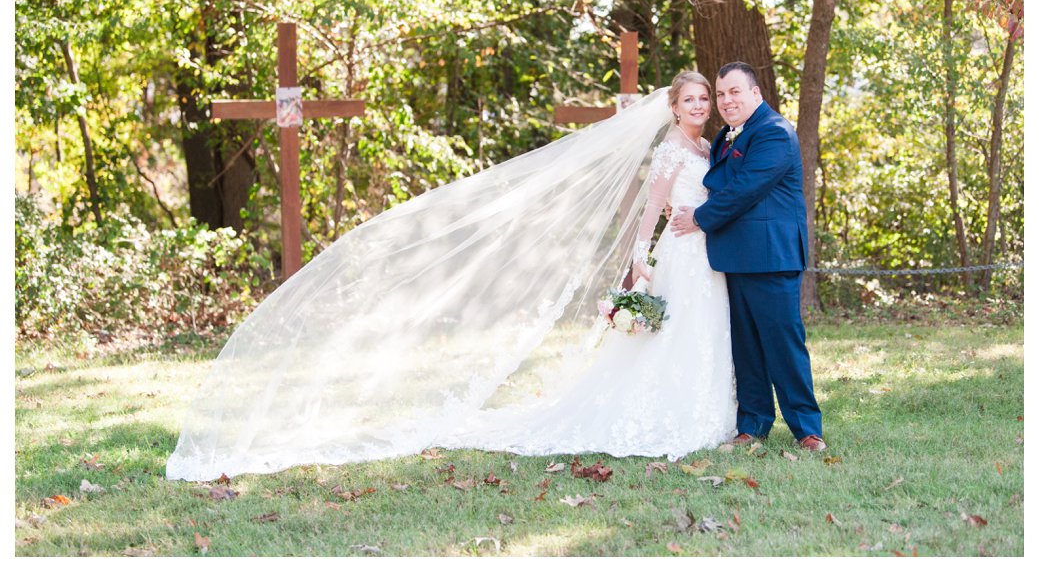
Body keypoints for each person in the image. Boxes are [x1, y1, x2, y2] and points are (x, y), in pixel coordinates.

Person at [166, 72, 734, 481]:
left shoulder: (708, 146)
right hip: (676, 259)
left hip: (706, 256)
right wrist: (640, 260)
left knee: (701, 334)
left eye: (704, 97)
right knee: (674, 334)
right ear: (672, 107)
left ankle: (708, 412)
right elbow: (649, 210)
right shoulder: (668, 153)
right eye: (690, 99)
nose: (700, 104)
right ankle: (667, 415)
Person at [671, 61, 825, 451]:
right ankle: (753, 423)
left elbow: (745, 189)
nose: (726, 100)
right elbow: (713, 183)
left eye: (734, 91)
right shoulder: (724, 137)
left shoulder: (774, 132)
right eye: (721, 94)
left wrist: (699, 219)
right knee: (746, 349)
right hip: (733, 258)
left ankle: (807, 429)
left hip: (772, 257)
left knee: (783, 343)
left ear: (756, 93)